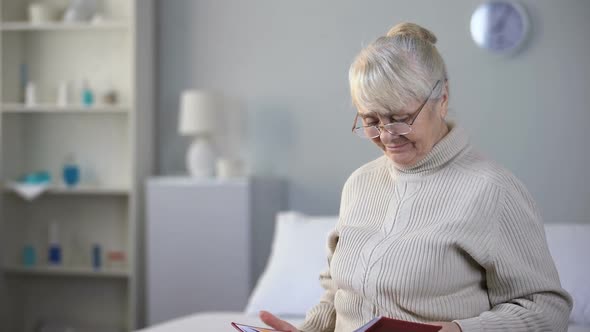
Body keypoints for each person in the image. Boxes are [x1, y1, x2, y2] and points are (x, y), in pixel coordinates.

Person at [259, 22, 572, 332]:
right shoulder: (360, 184)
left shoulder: (492, 190)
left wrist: (460, 330)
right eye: (371, 120)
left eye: (400, 118)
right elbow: (338, 291)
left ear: (442, 99)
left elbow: (546, 310)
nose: (386, 135)